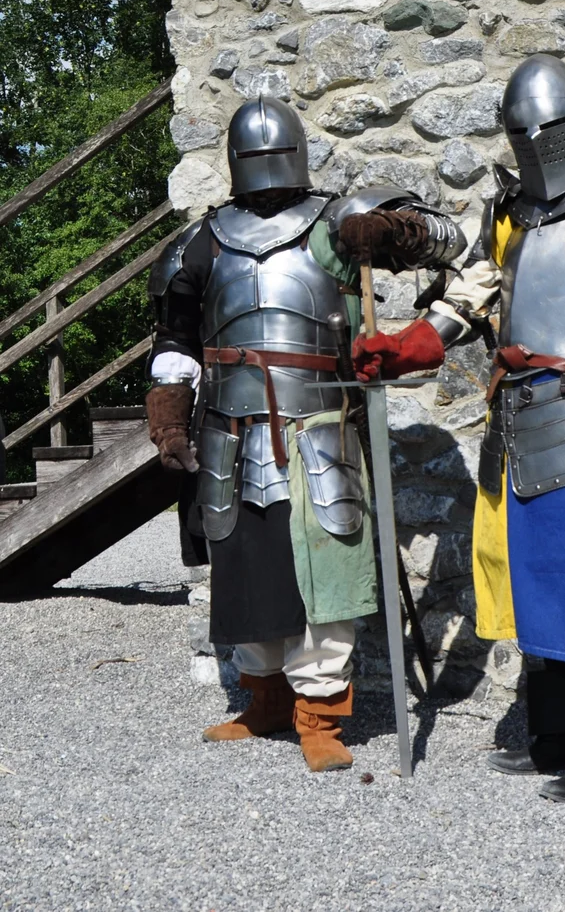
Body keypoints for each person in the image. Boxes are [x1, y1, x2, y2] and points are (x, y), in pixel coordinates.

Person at [353, 54, 565, 801]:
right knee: (542, 575)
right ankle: (555, 737)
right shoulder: (508, 214)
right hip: (522, 414)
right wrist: (411, 345)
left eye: (548, 127)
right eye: (521, 131)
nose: (536, 144)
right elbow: (470, 296)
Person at [145, 95, 465, 772]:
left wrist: (392, 230)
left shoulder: (336, 224)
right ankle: (265, 702)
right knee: (246, 571)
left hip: (319, 427)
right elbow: (174, 339)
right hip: (229, 432)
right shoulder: (202, 241)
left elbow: (448, 241)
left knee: (326, 574)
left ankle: (319, 717)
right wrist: (169, 415)